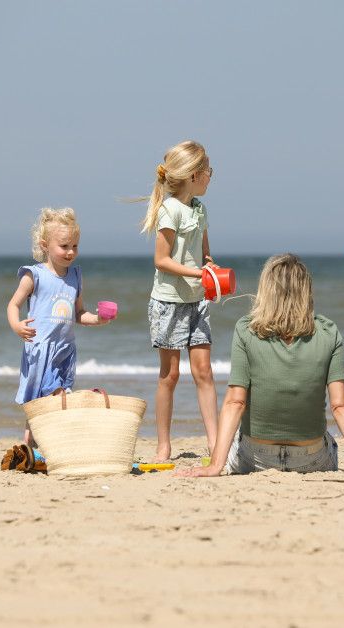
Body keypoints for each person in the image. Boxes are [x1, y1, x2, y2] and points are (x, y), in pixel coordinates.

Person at [180, 254, 344, 478]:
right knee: (329, 441)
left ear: (266, 289)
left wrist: (215, 466)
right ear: (306, 291)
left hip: (256, 458)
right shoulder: (328, 331)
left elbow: (235, 401)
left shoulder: (247, 329)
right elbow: (341, 406)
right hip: (312, 458)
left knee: (234, 442)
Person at [7, 207, 114, 445]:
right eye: (64, 246)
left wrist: (98, 319)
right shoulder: (34, 275)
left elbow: (78, 313)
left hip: (64, 350)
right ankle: (37, 443)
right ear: (45, 245)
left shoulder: (75, 276)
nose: (70, 252)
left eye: (75, 246)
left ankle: (33, 445)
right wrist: (16, 325)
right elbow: (13, 305)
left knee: (51, 400)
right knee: (43, 400)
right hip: (40, 349)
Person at [141, 140, 218, 462]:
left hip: (197, 300)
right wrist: (196, 273)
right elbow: (161, 260)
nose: (211, 177)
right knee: (169, 375)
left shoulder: (199, 209)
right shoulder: (170, 209)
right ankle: (163, 445)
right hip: (169, 301)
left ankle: (216, 443)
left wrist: (211, 269)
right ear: (195, 175)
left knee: (204, 372)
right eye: (209, 171)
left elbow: (204, 253)